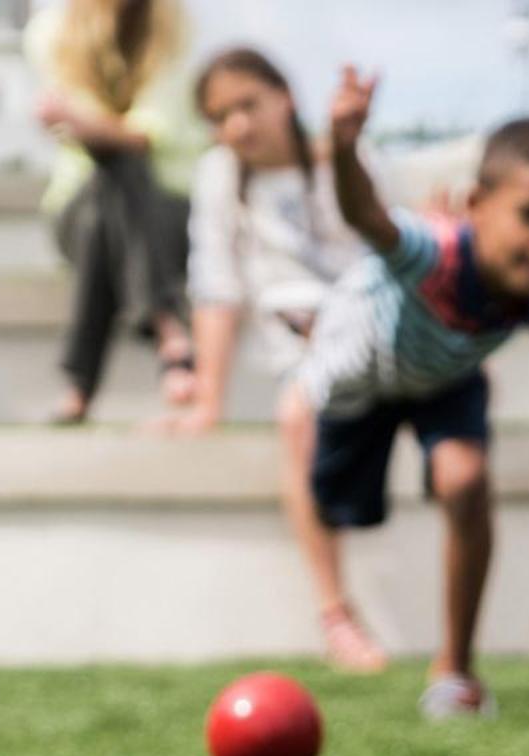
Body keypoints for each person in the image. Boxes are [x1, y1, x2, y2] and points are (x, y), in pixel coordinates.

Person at [295, 68, 529, 718]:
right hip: (361, 381)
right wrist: (346, 146)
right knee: (337, 504)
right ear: (474, 204)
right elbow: (366, 216)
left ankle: (455, 669)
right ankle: (310, 325)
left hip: (445, 381)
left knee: (465, 480)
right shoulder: (431, 251)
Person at [175, 48, 386, 673]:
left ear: (284, 96)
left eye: (247, 104)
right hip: (303, 357)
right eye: (220, 115)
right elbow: (217, 290)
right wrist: (208, 402)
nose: (237, 124)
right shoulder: (218, 175)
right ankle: (335, 614)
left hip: (371, 334)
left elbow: (392, 249)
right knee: (297, 418)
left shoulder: (349, 158)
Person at [24, 0, 202, 425]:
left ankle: (79, 385)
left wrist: (90, 126)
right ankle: (169, 327)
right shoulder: (50, 31)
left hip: (168, 215)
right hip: (80, 207)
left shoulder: (177, 25)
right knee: (111, 175)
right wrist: (99, 131)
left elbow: (147, 132)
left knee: (115, 177)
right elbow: (92, 134)